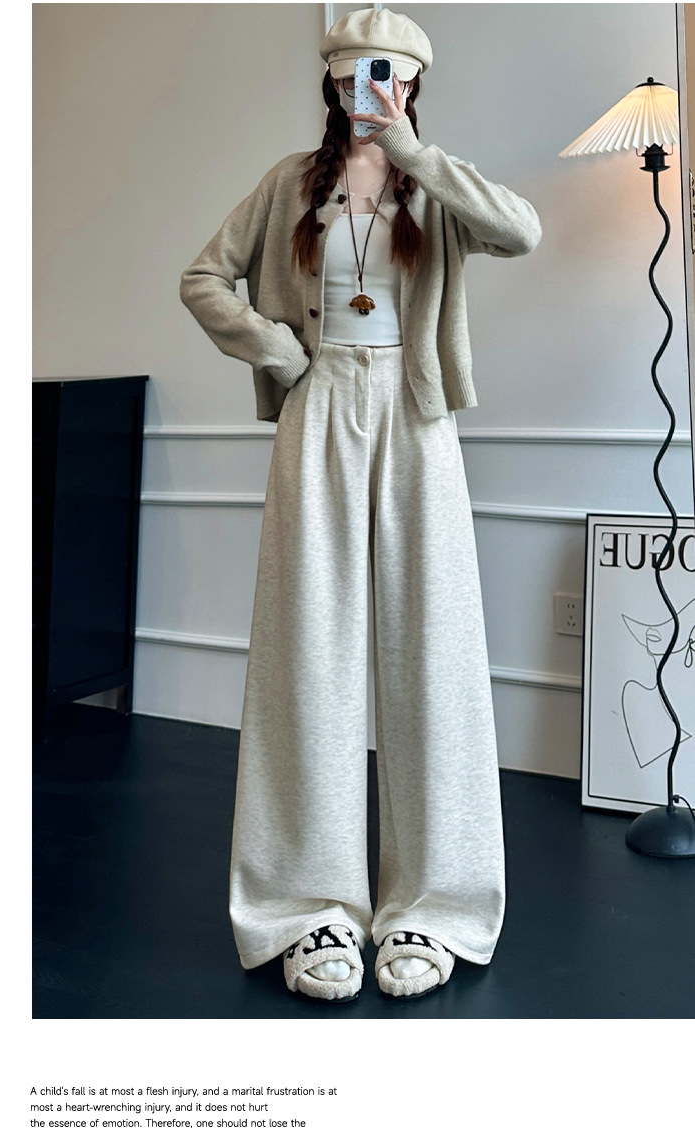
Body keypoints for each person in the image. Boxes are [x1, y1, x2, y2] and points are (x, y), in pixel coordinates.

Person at [180, 6, 542, 1002]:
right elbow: (204, 276)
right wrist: (275, 346)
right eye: (350, 72)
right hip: (321, 401)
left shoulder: (434, 182)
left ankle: (436, 903)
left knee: (434, 649)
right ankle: (308, 907)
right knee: (310, 650)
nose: (365, 86)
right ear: (331, 80)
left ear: (412, 82)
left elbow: (520, 231)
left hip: (417, 415)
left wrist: (412, 152)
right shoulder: (290, 184)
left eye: (385, 72)